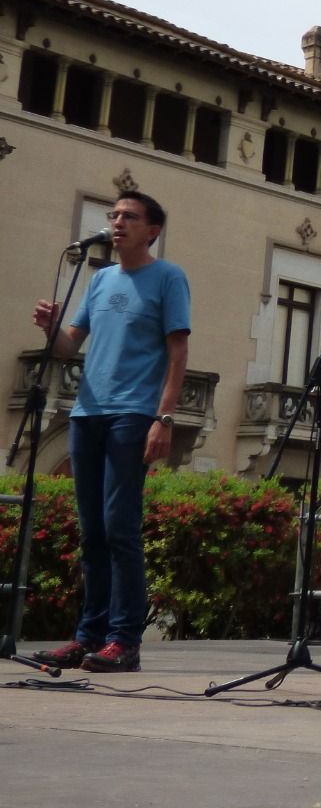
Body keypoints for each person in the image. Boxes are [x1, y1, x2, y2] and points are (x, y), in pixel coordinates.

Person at [30, 192, 191, 674]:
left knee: (120, 527)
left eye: (130, 217)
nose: (118, 223)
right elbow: (66, 348)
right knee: (92, 531)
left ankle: (125, 640)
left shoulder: (168, 277)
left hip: (134, 414)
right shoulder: (99, 280)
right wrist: (50, 328)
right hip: (87, 414)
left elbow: (178, 353)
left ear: (152, 231)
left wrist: (163, 419)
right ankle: (88, 636)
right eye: (114, 216)